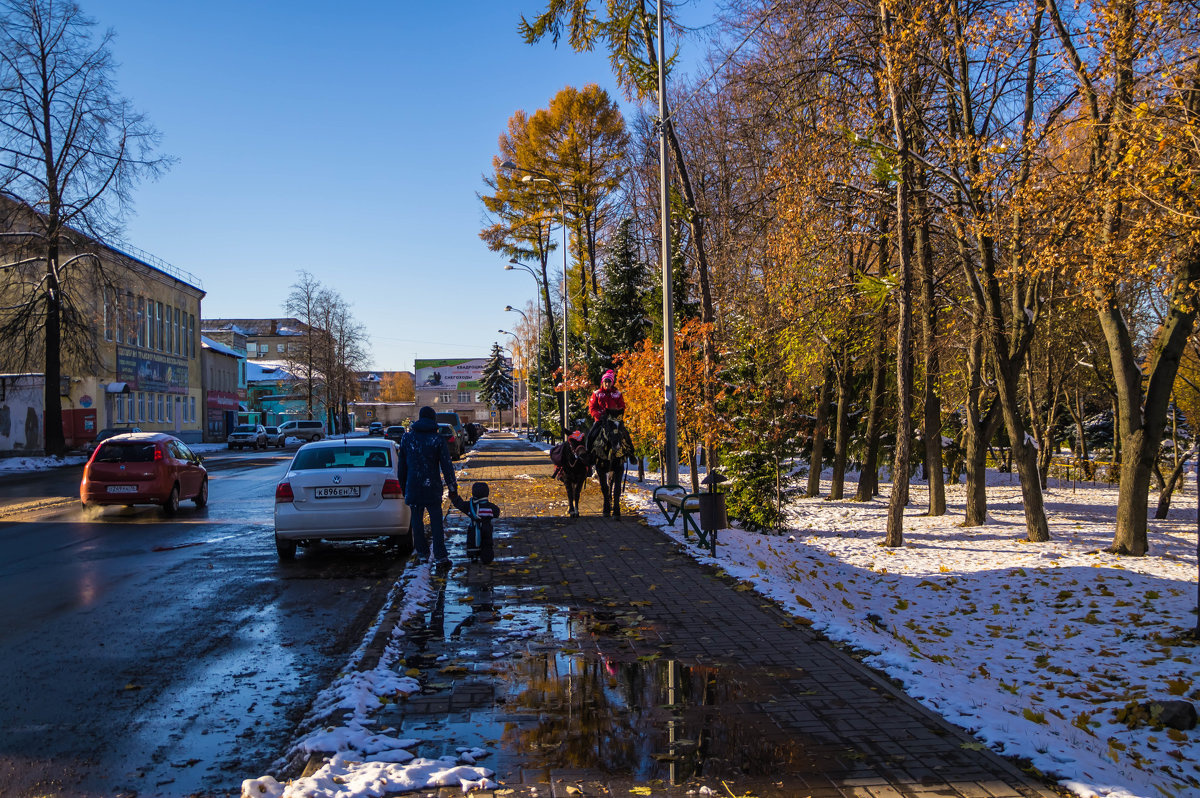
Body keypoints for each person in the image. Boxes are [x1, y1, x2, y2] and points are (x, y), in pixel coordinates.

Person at [397, 405, 459, 566]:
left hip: (413, 486)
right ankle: (440, 555)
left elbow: (401, 467)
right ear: (433, 419)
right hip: (432, 486)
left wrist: (403, 488)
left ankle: (422, 554)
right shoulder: (437, 439)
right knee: (436, 521)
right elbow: (446, 465)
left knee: (417, 522)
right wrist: (452, 488)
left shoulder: (407, 438)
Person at [585, 368, 626, 449]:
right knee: (590, 436)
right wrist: (599, 416)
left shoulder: (617, 394)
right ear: (602, 382)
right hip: (600, 421)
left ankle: (630, 453)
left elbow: (622, 406)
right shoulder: (597, 394)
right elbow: (592, 407)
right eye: (605, 382)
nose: (607, 384)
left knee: (625, 434)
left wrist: (616, 415)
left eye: (609, 382)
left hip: (614, 420)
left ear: (612, 383)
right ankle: (588, 455)